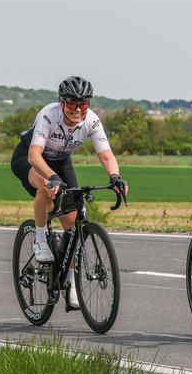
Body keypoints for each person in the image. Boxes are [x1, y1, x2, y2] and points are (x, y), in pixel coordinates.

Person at [10, 76, 127, 309]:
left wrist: (114, 177)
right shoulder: (48, 114)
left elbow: (105, 154)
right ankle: (41, 240)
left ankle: (71, 284)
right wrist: (51, 176)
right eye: (72, 103)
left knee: (72, 226)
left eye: (83, 104)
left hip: (62, 160)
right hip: (30, 158)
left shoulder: (92, 121)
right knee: (46, 185)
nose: (78, 109)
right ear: (61, 102)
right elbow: (34, 156)